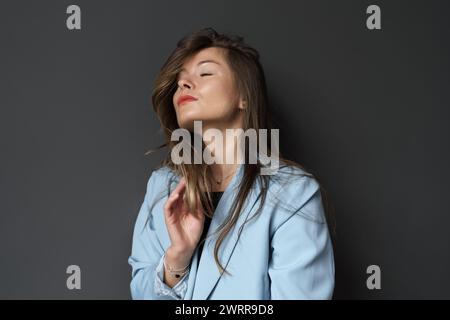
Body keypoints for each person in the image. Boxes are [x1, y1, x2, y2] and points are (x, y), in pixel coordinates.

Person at [128, 27, 335, 300]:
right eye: (180, 79)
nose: (184, 84)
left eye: (205, 73)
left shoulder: (294, 192)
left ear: (244, 96)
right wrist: (177, 259)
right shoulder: (161, 186)